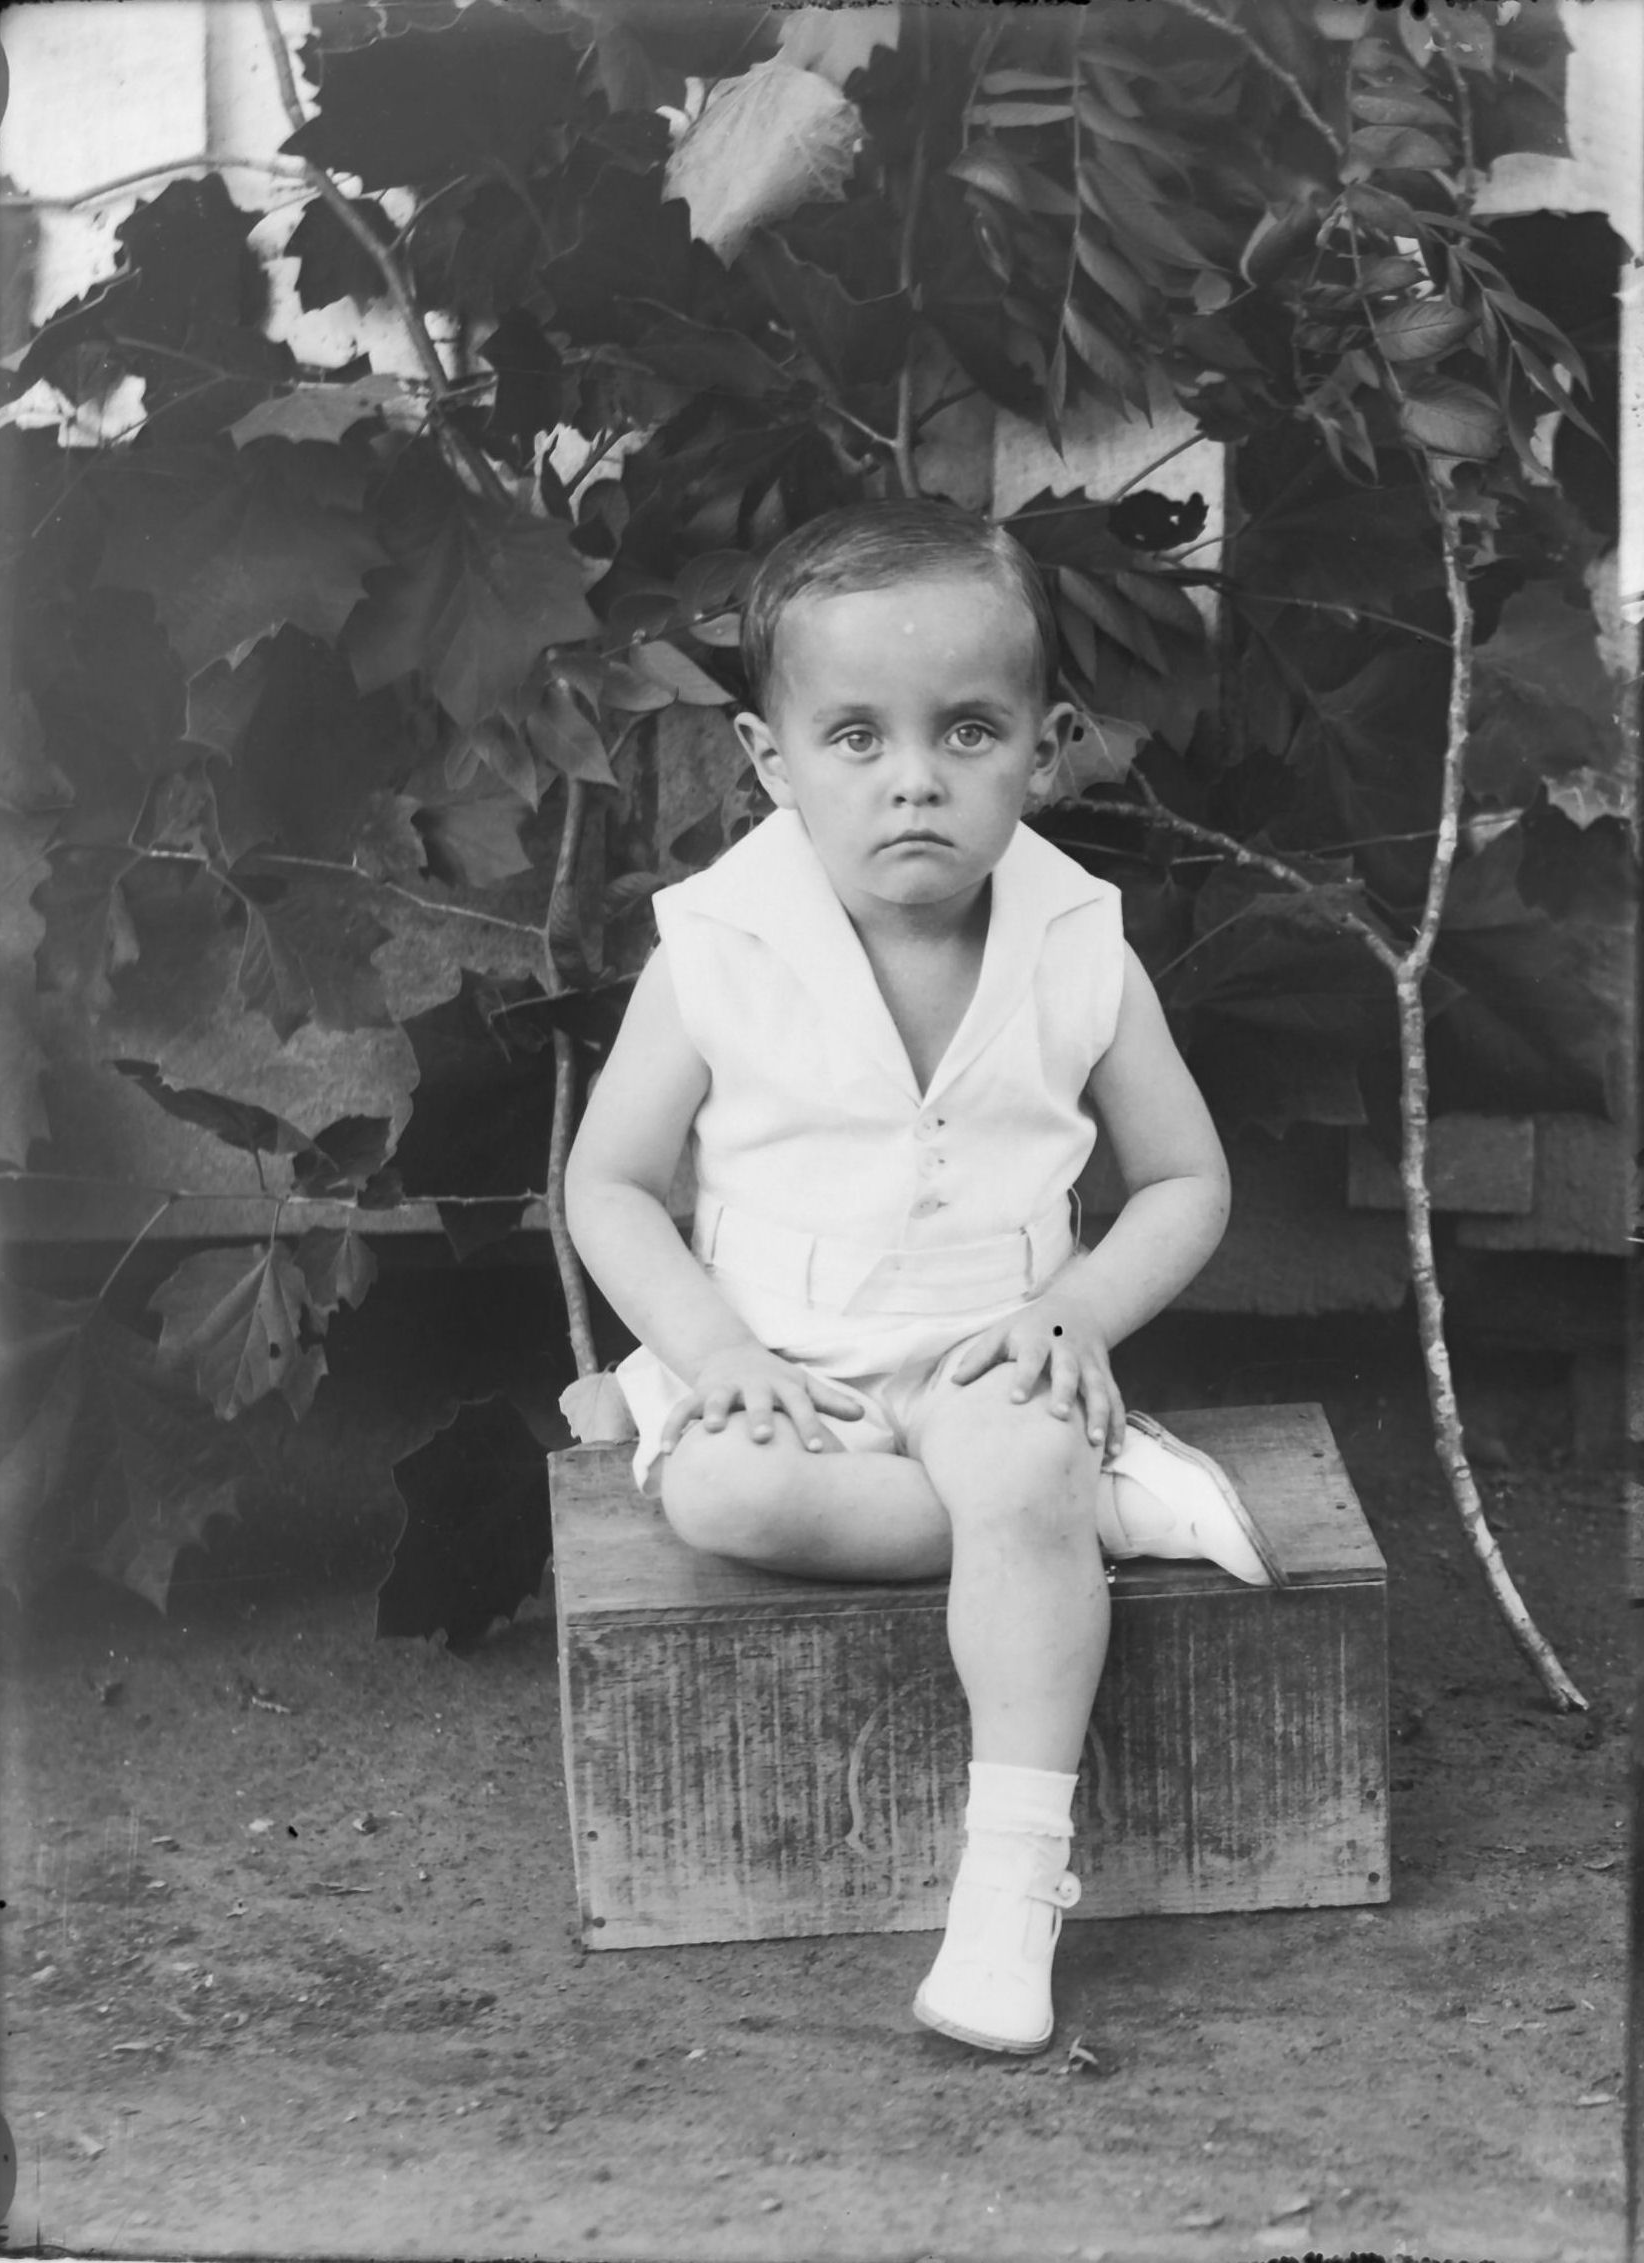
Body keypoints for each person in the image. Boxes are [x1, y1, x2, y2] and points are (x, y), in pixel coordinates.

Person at [564, 499, 1281, 2056]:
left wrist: (1074, 1314)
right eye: (855, 736)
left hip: (987, 1356)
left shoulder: (1077, 942)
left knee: (1012, 1456)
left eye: (968, 731)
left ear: (1048, 746)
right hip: (788, 1368)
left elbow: (1186, 1181)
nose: (914, 778)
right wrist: (711, 1348)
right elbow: (608, 1185)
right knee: (722, 1496)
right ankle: (1074, 1524)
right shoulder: (716, 945)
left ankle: (1011, 1886)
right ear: (769, 759)